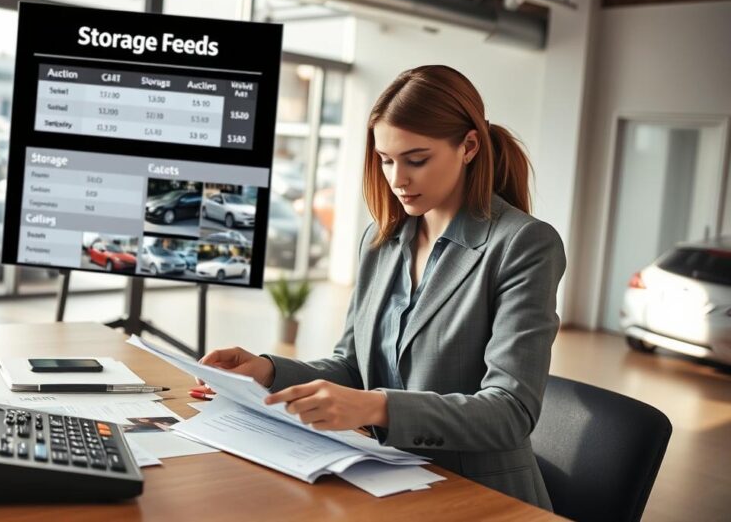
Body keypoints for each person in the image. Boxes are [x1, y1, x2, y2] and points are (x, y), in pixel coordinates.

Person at [191, 65, 566, 511]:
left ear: (468, 146)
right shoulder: (381, 240)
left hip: (478, 496)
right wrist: (267, 373)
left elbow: (510, 413)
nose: (397, 179)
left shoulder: (523, 244)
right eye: (386, 160)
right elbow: (351, 366)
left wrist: (376, 408)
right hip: (390, 477)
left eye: (416, 159)